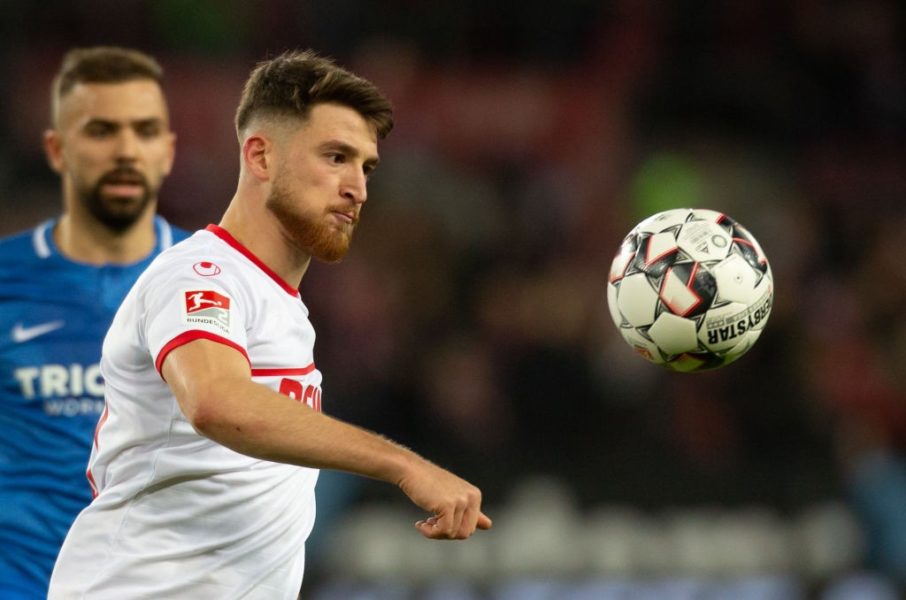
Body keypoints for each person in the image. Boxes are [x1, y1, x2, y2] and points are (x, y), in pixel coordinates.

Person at [48, 49, 492, 599]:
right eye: (335, 157)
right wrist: (402, 465)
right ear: (259, 156)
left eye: (366, 166)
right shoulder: (200, 275)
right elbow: (216, 401)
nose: (358, 188)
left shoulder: (281, 307)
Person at [0, 47, 188, 599]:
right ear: (57, 149)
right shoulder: (6, 281)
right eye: (102, 130)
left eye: (145, 130)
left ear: (168, 151)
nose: (126, 150)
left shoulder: (222, 284)